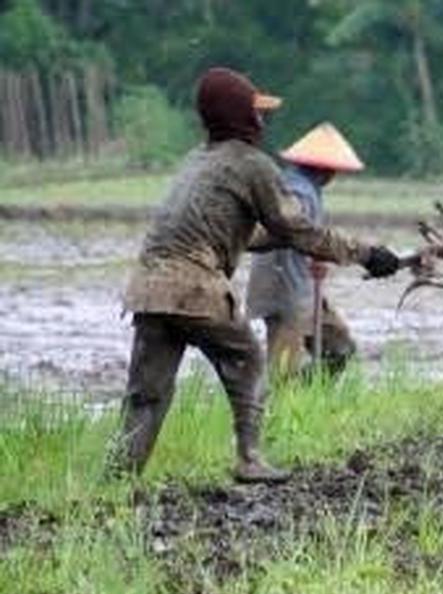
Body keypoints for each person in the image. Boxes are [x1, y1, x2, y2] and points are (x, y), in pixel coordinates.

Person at [110, 67, 402, 482]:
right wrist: (366, 254)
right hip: (195, 287)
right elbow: (297, 229)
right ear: (238, 116)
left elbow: (244, 236)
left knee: (146, 393)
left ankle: (118, 477)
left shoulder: (197, 161)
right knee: (247, 361)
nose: (262, 123)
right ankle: (249, 458)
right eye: (255, 112)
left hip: (149, 288)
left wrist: (287, 239)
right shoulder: (251, 164)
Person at [246, 123, 364, 377]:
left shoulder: (304, 187)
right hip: (284, 287)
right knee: (283, 370)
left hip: (304, 287)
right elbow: (293, 232)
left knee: (340, 347)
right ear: (325, 169)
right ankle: (282, 409)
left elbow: (307, 236)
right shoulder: (296, 191)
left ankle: (307, 397)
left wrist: (315, 255)